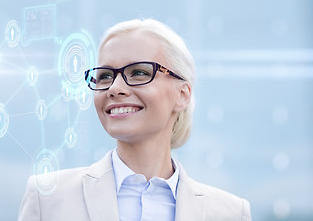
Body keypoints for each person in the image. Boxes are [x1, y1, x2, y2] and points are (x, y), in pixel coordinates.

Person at [18, 19, 252, 221]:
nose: (115, 88)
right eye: (105, 76)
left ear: (182, 95)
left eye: (139, 72)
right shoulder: (47, 199)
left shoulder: (230, 213)